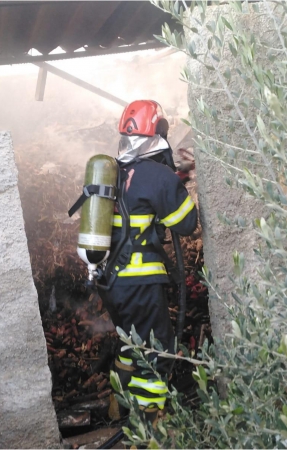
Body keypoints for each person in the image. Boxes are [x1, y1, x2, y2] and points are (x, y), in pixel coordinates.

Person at [102, 100, 198, 424]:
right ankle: (147, 426)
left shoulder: (113, 172)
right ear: (158, 132)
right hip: (140, 282)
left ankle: (118, 405)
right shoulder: (158, 176)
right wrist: (175, 183)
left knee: (131, 343)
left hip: (111, 283)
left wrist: (171, 179)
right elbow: (186, 224)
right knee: (156, 350)